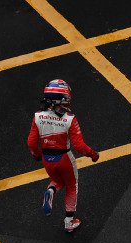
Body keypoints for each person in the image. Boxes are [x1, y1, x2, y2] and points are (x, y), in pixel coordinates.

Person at [26, 78, 100, 233]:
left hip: (47, 159)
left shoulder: (38, 116)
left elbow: (31, 142)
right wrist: (93, 154)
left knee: (57, 180)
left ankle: (51, 192)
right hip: (65, 159)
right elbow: (79, 146)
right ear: (59, 100)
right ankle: (69, 222)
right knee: (72, 187)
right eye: (66, 98)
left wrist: (37, 155)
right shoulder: (70, 119)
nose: (68, 101)